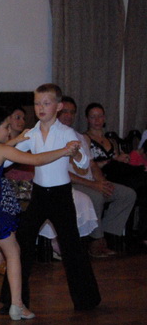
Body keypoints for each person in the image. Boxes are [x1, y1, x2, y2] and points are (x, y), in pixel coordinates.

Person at [0, 105, 79, 319]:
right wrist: (65, 150)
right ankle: (17, 305)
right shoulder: (0, 149)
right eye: (6, 127)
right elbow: (36, 160)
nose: (9, 131)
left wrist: (17, 140)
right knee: (13, 252)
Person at [0, 84, 101, 312]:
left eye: (46, 103)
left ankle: (86, 300)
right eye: (37, 103)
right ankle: (12, 301)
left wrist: (76, 152)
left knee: (72, 247)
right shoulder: (31, 133)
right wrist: (3, 149)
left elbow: (84, 163)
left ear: (58, 106)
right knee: (22, 244)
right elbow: (6, 160)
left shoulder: (66, 133)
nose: (41, 108)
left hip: (61, 196)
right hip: (39, 196)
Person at [60, 97, 136, 257]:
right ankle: (96, 241)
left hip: (90, 181)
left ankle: (106, 234)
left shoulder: (79, 137)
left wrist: (102, 182)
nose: (68, 115)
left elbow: (92, 164)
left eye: (72, 112)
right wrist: (94, 185)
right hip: (71, 183)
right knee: (96, 196)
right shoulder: (53, 138)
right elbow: (61, 172)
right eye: (65, 111)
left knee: (127, 194)